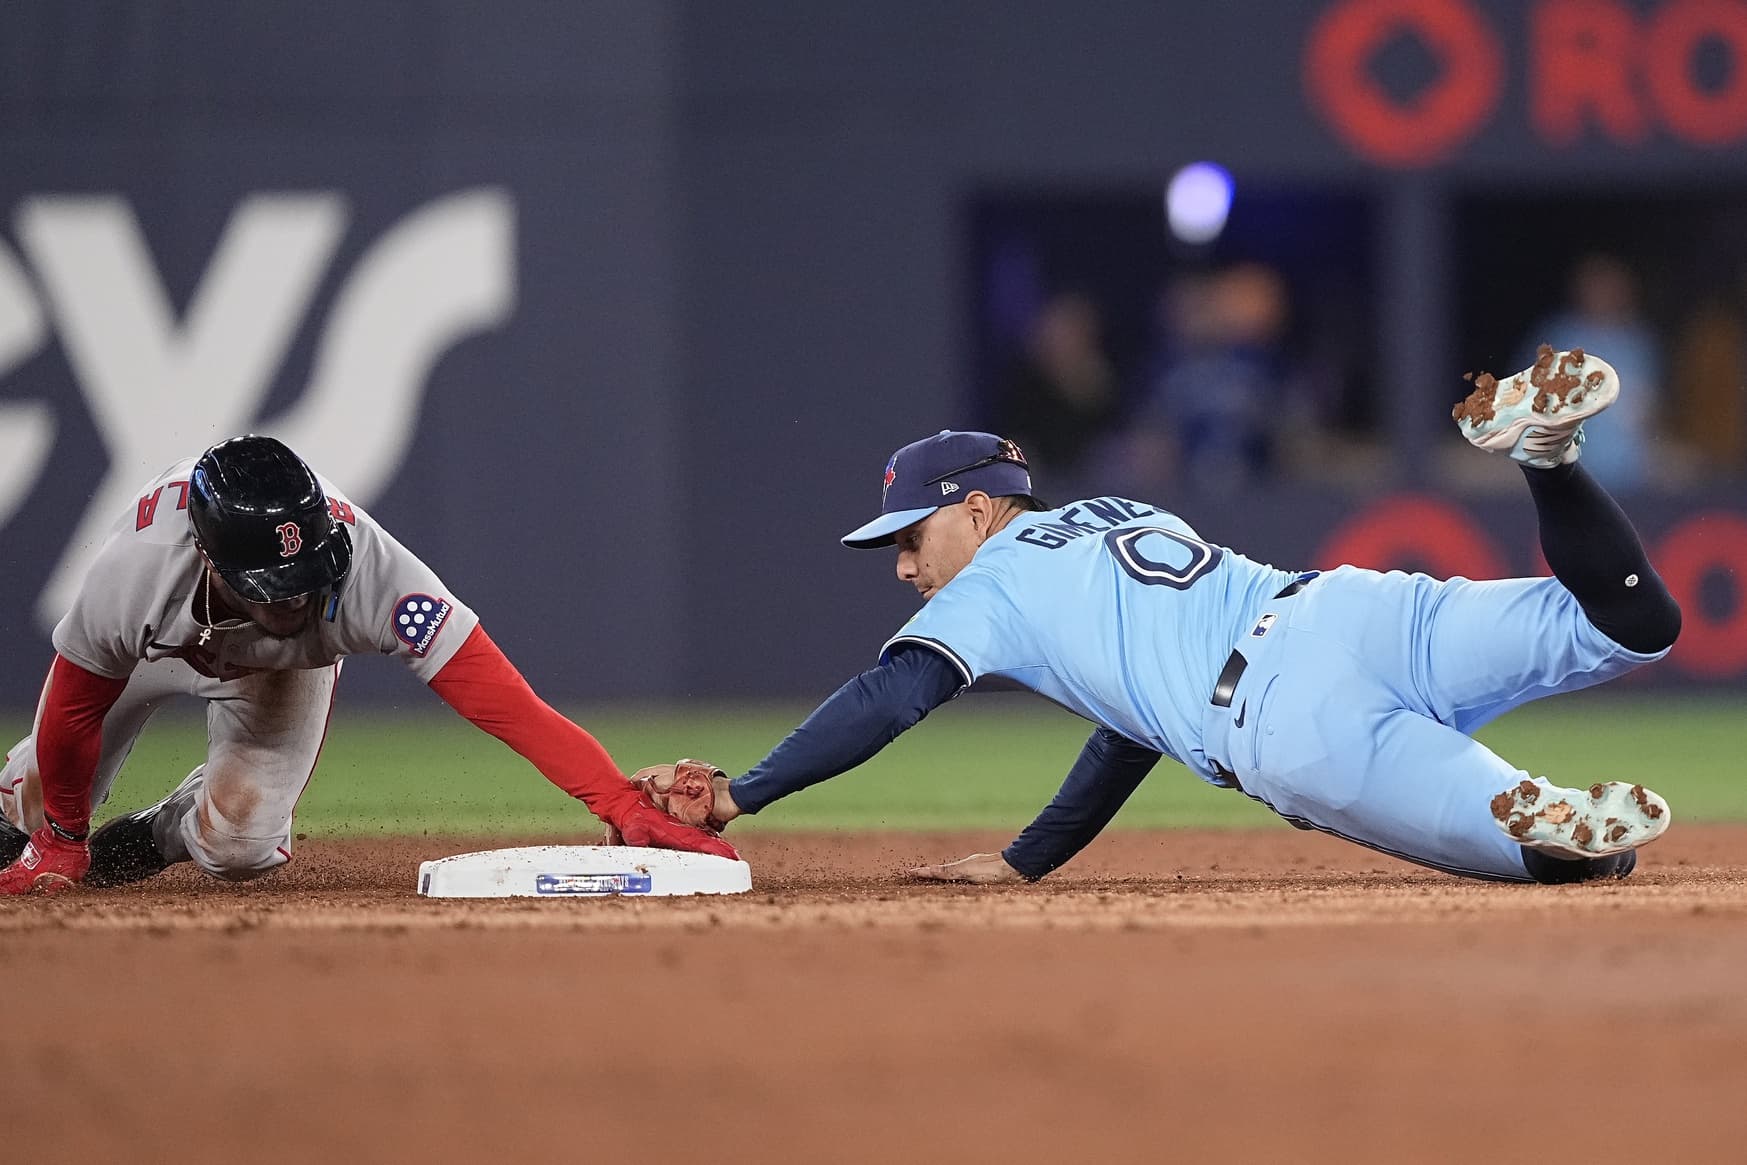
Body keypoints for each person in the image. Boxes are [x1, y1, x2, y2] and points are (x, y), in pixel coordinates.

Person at [644, 346, 1681, 885]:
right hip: (1347, 608)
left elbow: (891, 694)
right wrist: (1030, 856)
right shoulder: (1113, 512)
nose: (905, 564)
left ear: (975, 509)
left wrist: (742, 794)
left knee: (1583, 857)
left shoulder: (993, 581)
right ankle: (1546, 457)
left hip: (1288, 726)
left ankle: (1547, 814)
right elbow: (1127, 721)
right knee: (1632, 623)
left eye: (912, 537)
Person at [0, 435, 735, 894]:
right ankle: (27, 814)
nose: (295, 601)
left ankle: (155, 833)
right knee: (35, 804)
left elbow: (503, 701)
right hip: (158, 648)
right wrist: (60, 837)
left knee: (241, 845)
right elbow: (74, 708)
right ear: (209, 557)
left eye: (307, 577)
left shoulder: (373, 572)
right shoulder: (134, 572)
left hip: (275, 672)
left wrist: (616, 798)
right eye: (273, 590)